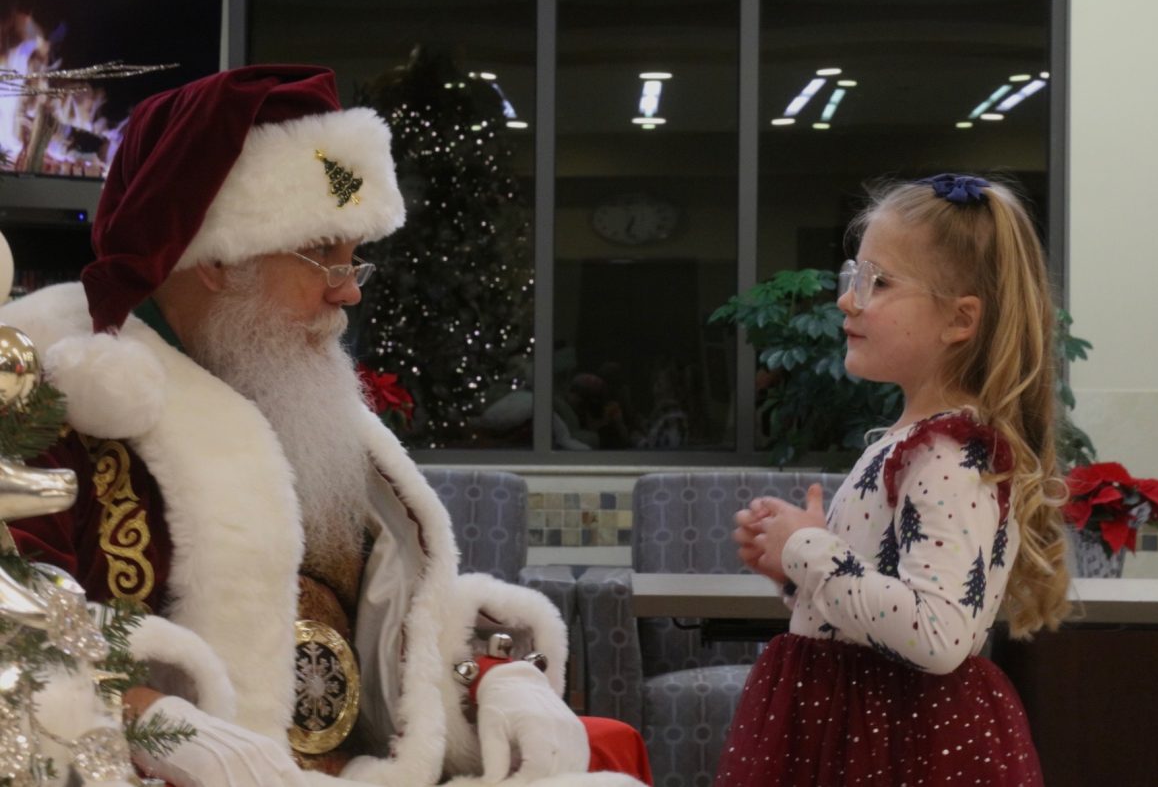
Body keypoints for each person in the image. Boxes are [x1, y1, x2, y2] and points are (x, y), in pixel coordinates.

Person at [2, 65, 648, 787]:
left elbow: (392, 618)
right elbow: (13, 630)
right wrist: (151, 718)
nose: (347, 293)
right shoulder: (46, 388)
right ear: (217, 258)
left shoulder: (288, 392)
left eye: (355, 262)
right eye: (322, 259)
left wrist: (496, 674)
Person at [716, 174, 1070, 786]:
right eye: (854, 276)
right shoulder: (913, 441)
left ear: (960, 320)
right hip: (860, 725)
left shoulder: (950, 456)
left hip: (898, 743)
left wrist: (808, 548)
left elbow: (935, 633)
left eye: (878, 283)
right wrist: (793, 570)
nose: (848, 300)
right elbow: (881, 600)